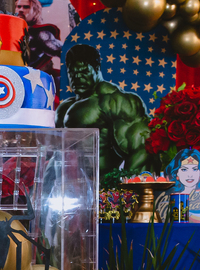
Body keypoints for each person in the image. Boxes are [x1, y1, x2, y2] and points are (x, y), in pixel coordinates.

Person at [56, 44, 153, 178]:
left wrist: (129, 194)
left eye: (84, 72)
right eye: (73, 73)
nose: (77, 77)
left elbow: (141, 148)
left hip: (105, 190)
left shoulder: (114, 100)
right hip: (67, 190)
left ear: (97, 69)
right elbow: (56, 154)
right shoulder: (64, 108)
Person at [14, 0, 63, 82]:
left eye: (26, 7)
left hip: (32, 81)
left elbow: (64, 52)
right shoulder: (8, 31)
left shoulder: (40, 33)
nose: (21, 10)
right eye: (18, 6)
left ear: (35, 11)